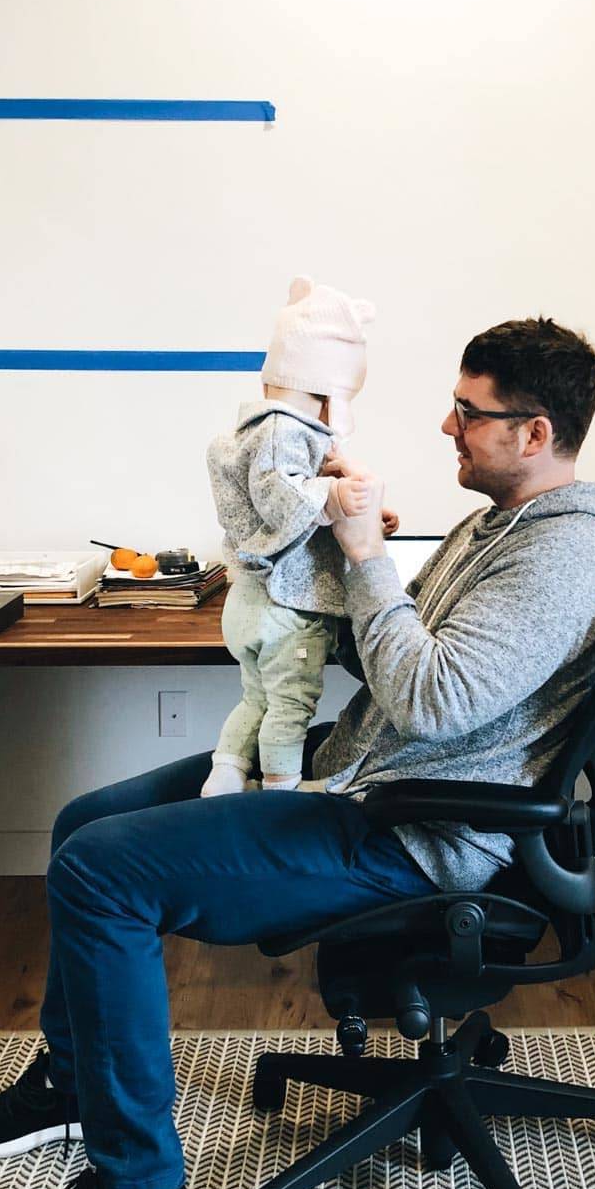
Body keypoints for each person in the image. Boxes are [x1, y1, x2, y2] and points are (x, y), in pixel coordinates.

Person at [0, 315, 595, 1189]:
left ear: (534, 433)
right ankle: (73, 1086)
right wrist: (318, 559)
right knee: (84, 823)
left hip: (411, 829)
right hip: (363, 774)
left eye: (468, 412)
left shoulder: (563, 554)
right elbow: (387, 660)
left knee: (101, 873)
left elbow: (432, 699)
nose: (446, 425)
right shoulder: (497, 526)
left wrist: (368, 555)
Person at [202, 274, 385, 797]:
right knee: (290, 706)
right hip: (287, 608)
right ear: (330, 396)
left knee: (256, 699)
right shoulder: (287, 430)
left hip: (247, 601)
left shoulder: (249, 433)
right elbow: (280, 494)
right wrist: (333, 498)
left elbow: (289, 495)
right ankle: (280, 793)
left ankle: (226, 773)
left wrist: (364, 511)